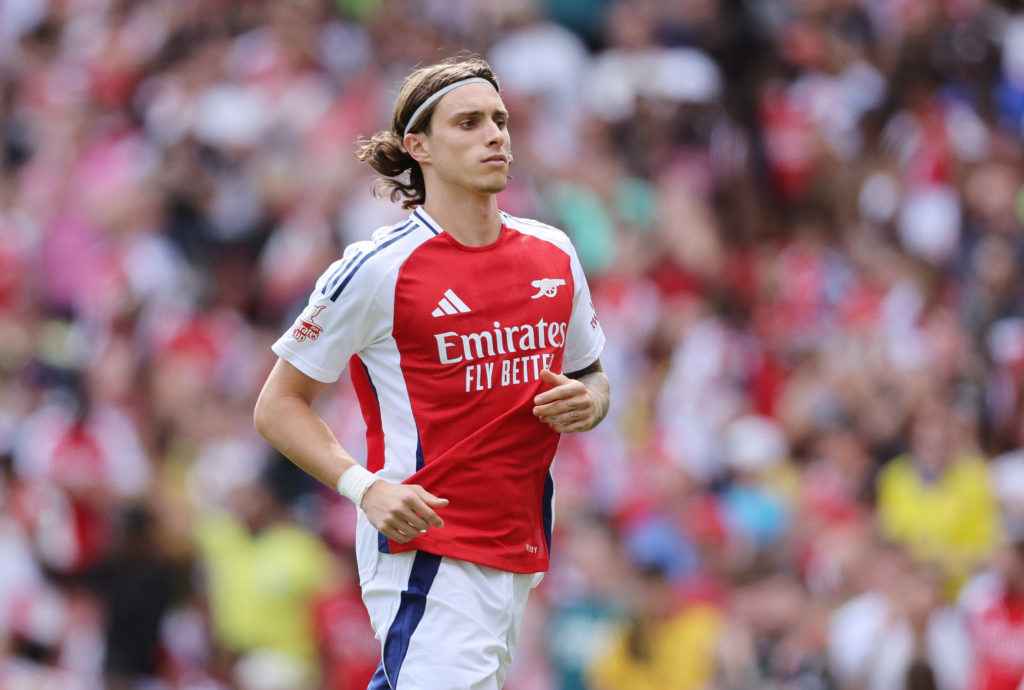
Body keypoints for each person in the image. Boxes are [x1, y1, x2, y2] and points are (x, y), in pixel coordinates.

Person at [253, 54, 610, 690]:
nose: (495, 135)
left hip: (519, 540)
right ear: (417, 146)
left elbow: (591, 373)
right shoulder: (376, 268)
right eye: (468, 123)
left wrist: (593, 402)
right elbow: (278, 405)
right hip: (428, 543)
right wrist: (366, 488)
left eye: (500, 120)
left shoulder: (554, 252)